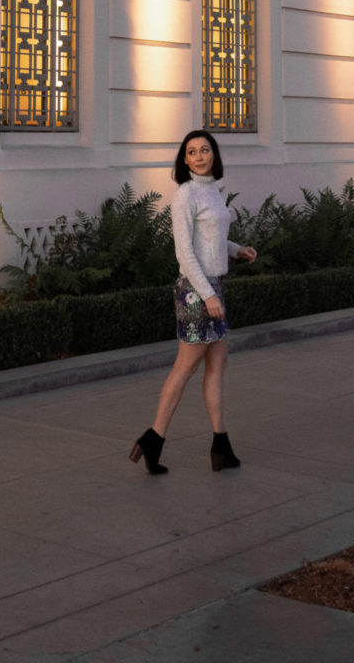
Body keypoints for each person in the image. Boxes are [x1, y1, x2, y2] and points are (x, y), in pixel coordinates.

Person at [129, 128, 257, 475]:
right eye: (192, 152)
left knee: (217, 365)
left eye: (204, 150)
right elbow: (185, 254)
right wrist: (209, 295)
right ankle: (153, 437)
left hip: (213, 285)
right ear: (184, 160)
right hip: (196, 290)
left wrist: (237, 250)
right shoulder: (184, 196)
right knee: (185, 368)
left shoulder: (212, 190)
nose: (199, 157)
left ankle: (220, 444)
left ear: (214, 153)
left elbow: (211, 239)